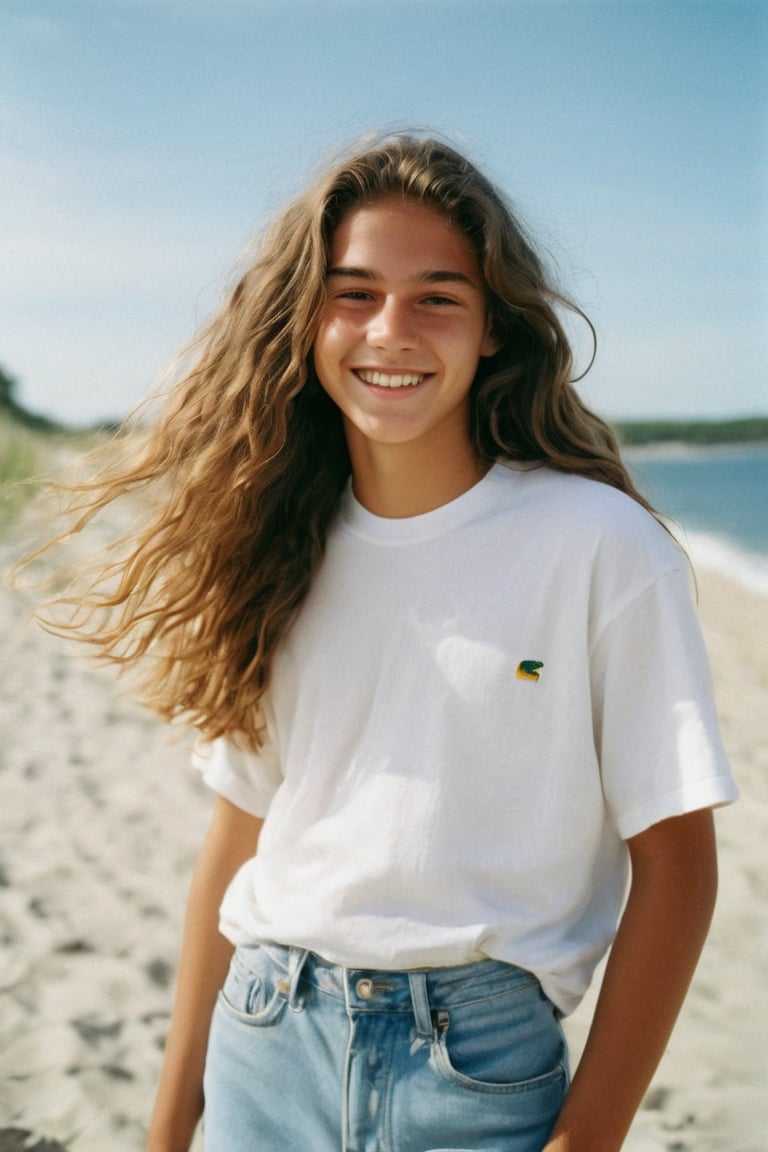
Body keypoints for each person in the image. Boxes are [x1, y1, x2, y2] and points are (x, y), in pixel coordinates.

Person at [40, 134, 736, 1151]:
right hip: (264, 1036)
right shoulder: (278, 547)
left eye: (438, 297)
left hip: (478, 1067)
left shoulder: (598, 547)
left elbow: (677, 869)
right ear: (305, 320)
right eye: (354, 292)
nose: (391, 331)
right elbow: (237, 846)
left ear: (494, 328)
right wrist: (166, 1127)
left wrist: (587, 1140)